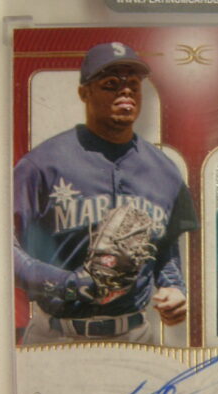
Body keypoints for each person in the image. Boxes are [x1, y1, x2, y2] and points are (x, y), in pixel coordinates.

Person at [14, 42, 198, 344]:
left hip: (134, 336)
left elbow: (165, 246)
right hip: (57, 334)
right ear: (84, 92)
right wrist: (65, 284)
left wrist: (173, 286)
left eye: (133, 85)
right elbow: (1, 248)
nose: (125, 91)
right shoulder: (42, 164)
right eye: (111, 84)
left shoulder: (164, 171)